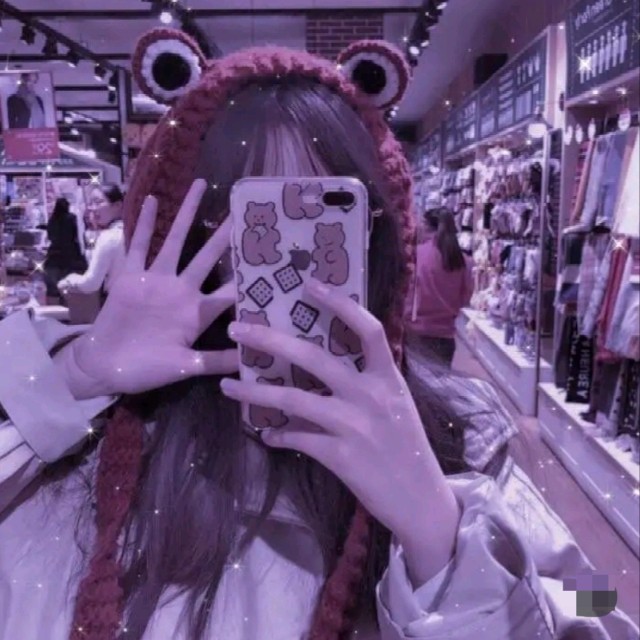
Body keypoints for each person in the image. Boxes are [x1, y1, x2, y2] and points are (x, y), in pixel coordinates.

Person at [0, 29, 637, 640]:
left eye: (325, 207)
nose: (291, 252)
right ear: (186, 227)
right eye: (252, 212)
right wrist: (73, 377)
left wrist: (441, 532)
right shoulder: (95, 437)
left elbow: (600, 606)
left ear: (376, 230)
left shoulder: (462, 429)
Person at [405, 208, 474, 368]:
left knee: (413, 381)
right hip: (445, 335)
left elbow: (406, 292)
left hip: (416, 332)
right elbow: (465, 298)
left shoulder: (415, 255)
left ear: (426, 226)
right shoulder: (463, 261)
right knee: (440, 382)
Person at [58, 185, 126, 296]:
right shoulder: (131, 231)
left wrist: (69, 280)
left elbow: (90, 284)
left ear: (117, 205)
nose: (93, 208)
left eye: (98, 202)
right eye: (91, 203)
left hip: (118, 299)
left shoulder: (108, 237)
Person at [42, 197, 88, 300]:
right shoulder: (72, 217)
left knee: (54, 281)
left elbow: (50, 236)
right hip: (70, 251)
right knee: (68, 279)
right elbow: (76, 234)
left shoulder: (52, 219)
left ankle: (54, 300)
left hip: (54, 252)